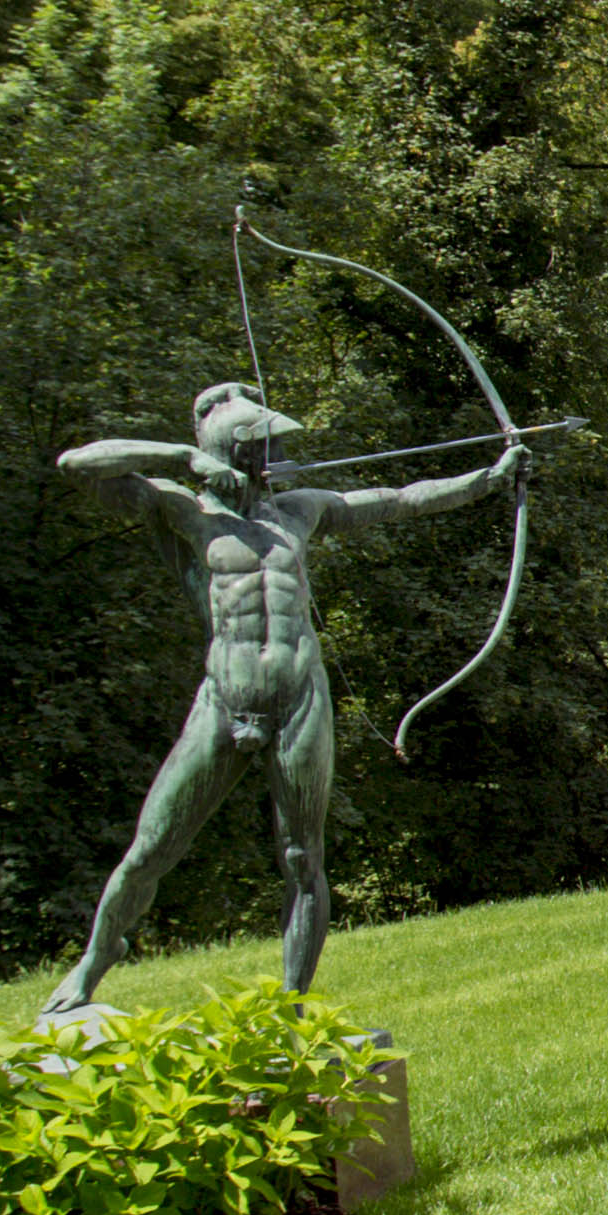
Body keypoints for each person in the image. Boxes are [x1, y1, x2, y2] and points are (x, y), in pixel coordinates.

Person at [42, 383, 522, 1018]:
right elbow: (76, 464)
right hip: (224, 699)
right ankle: (87, 972)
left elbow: (399, 500)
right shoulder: (183, 510)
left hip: (300, 699)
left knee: (303, 857)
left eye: (270, 444)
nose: (268, 456)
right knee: (151, 849)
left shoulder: (297, 509)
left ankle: (292, 1010)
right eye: (255, 446)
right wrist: (182, 459)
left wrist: (490, 478)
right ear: (220, 450)